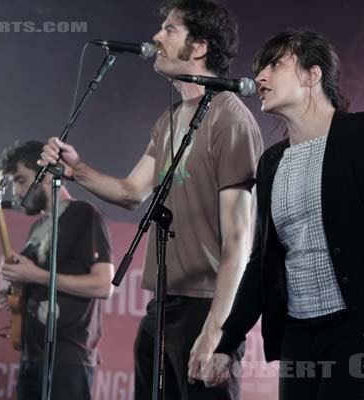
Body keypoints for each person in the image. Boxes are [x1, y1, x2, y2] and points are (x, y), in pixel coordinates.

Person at [39, 1, 262, 398]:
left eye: (169, 29)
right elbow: (131, 192)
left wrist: (217, 330)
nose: (156, 37)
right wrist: (77, 170)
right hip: (161, 309)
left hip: (204, 306)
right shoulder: (170, 119)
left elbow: (239, 238)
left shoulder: (232, 120)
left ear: (198, 47)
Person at [205, 29, 364, 399]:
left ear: (312, 75)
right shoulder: (271, 162)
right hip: (299, 337)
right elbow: (261, 262)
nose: (259, 78)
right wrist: (227, 343)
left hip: (361, 331)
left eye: (274, 65)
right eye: (259, 69)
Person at [0, 140, 114, 400]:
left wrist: (34, 275)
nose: (16, 192)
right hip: (32, 355)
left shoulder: (84, 214)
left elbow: (103, 286)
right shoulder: (36, 228)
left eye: (21, 180)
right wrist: (17, 293)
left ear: (47, 175)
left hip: (68, 357)